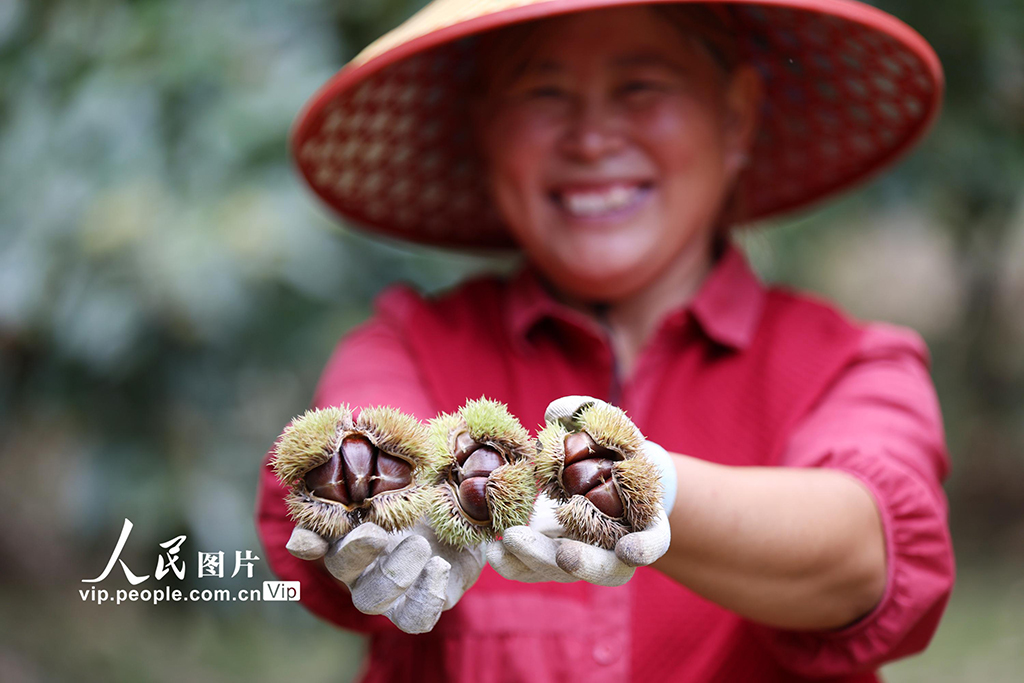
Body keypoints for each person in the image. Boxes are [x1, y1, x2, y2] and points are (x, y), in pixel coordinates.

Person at [256, 1, 955, 681]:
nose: (591, 138)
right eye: (543, 93)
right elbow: (353, 448)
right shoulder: (406, 344)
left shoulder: (851, 364)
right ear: (485, 128)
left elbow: (867, 550)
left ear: (735, 115)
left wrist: (652, 489)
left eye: (641, 88)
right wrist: (381, 509)